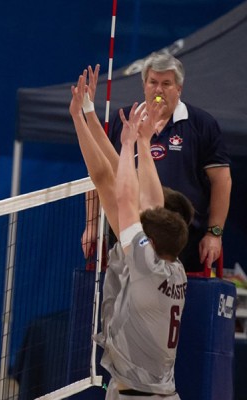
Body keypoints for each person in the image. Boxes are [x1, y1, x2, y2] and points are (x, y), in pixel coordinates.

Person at [70, 68, 192, 398]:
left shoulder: (144, 263)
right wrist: (92, 114)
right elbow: (123, 184)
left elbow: (112, 186)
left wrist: (84, 122)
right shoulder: (175, 267)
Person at [83, 52, 232, 273]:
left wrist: (214, 233)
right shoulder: (122, 120)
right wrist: (92, 224)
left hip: (183, 241)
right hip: (128, 233)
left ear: (179, 88)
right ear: (144, 85)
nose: (159, 90)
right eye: (153, 82)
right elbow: (99, 173)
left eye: (166, 84)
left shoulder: (202, 124)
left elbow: (222, 181)